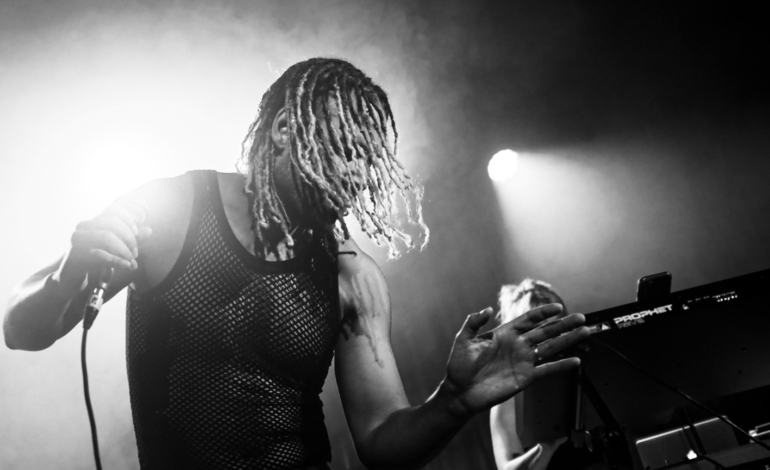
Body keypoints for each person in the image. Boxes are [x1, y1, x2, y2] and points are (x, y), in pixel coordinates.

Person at [4, 57, 589, 470]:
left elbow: (382, 442)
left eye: (370, 160)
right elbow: (19, 329)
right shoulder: (171, 209)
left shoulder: (352, 276)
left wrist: (454, 401)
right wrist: (67, 275)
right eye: (348, 150)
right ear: (286, 129)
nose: (359, 174)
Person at [489, 279, 604, 470]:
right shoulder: (508, 395)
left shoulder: (586, 371)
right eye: (542, 330)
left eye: (558, 326)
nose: (552, 337)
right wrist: (547, 447)